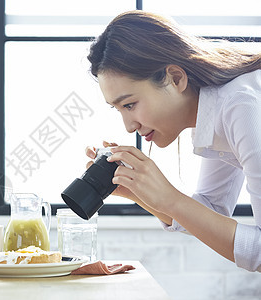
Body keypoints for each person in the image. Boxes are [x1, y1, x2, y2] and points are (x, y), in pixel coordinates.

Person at [85, 10, 261, 272]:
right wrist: (139, 193)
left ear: (175, 78)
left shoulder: (242, 106)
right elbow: (212, 212)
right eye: (118, 108)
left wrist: (169, 198)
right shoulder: (217, 108)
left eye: (130, 104)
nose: (128, 125)